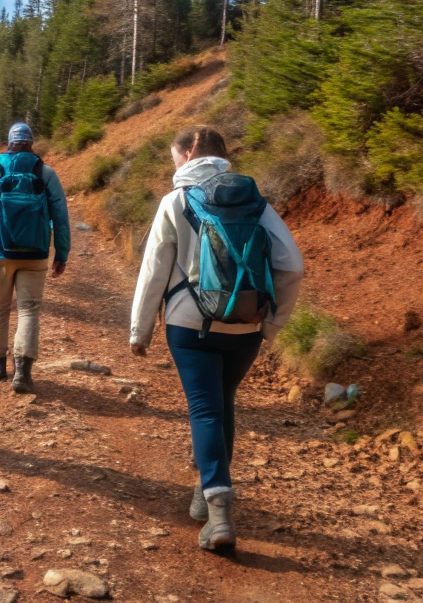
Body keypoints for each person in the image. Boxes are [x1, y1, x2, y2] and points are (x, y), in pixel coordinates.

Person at [128, 126, 303, 553]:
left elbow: (154, 270)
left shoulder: (176, 201)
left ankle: (219, 508)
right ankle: (205, 490)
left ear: (188, 154)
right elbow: (291, 265)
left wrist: (140, 329)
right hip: (246, 326)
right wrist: (272, 324)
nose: (174, 166)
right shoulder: (254, 202)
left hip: (189, 324)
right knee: (222, 402)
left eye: (175, 158)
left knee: (204, 408)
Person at [0, 122, 70, 394]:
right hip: (36, 253)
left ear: (9, 143)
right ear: (31, 143)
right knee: (29, 309)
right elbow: (60, 216)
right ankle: (23, 373)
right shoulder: (45, 172)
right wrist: (62, 252)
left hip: (0, 252)